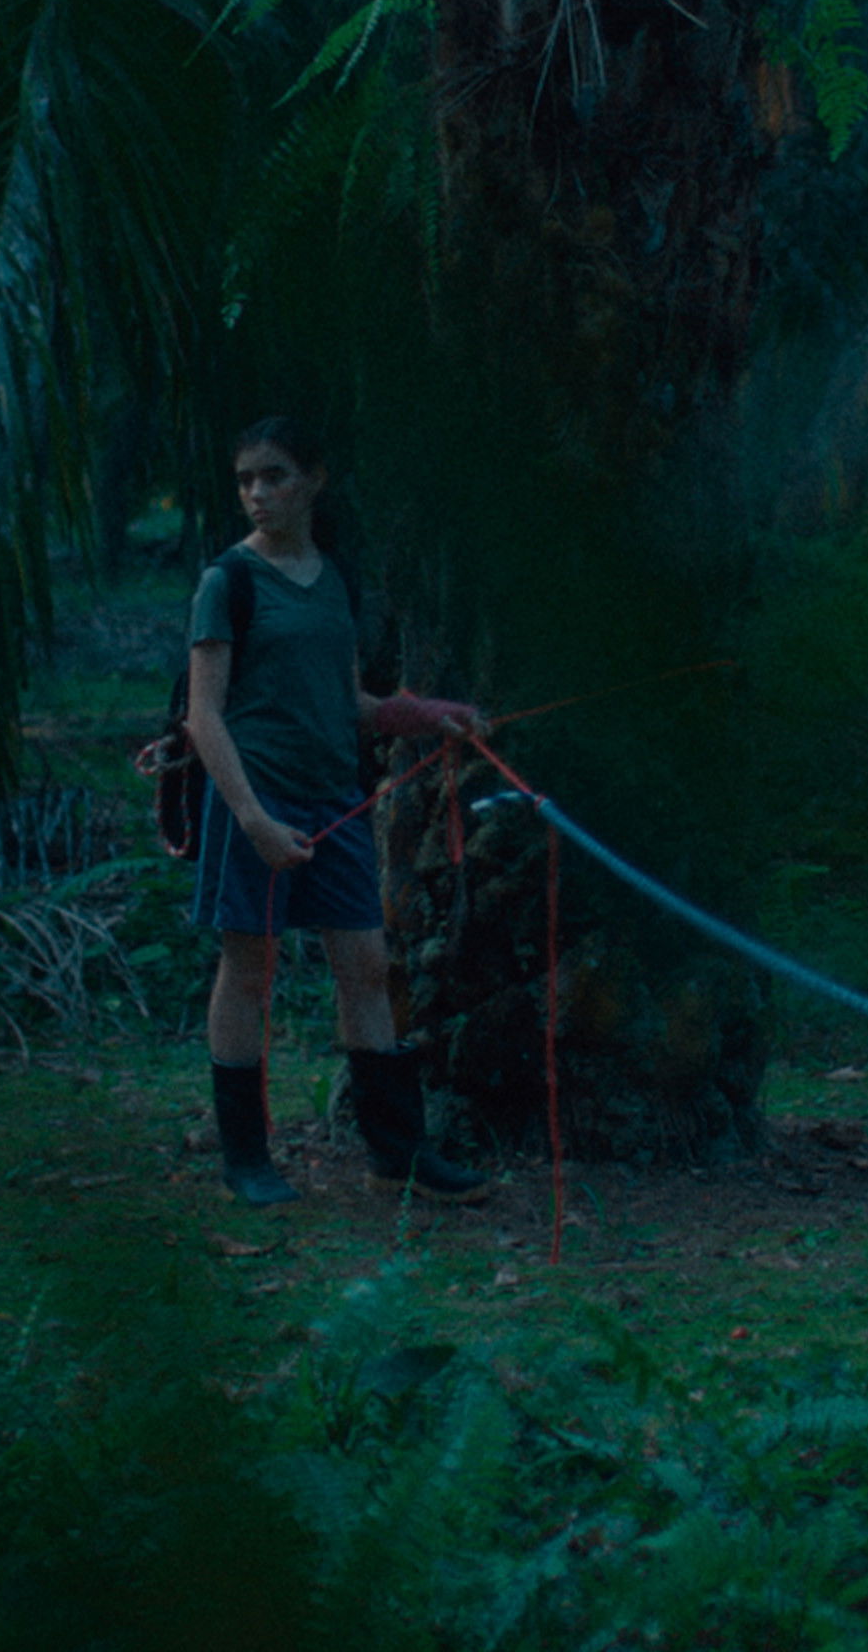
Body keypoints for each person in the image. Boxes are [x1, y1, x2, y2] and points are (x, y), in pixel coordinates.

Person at [184, 417, 493, 1207]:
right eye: (246, 479)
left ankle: (397, 1153)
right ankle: (246, 1159)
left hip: (335, 799)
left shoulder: (334, 581)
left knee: (365, 967)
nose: (258, 493)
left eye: (275, 475)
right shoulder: (228, 581)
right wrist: (252, 819)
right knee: (248, 970)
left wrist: (428, 716)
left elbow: (349, 702)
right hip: (255, 798)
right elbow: (203, 717)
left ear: (315, 479)